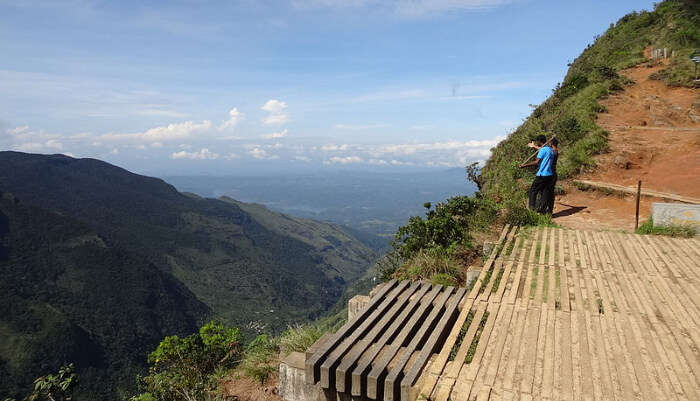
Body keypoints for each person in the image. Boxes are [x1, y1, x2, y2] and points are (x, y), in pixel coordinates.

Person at [519, 134, 555, 214]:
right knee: (544, 193)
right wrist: (533, 146)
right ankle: (542, 211)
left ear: (539, 141)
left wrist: (524, 165)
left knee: (533, 191)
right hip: (549, 175)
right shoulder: (551, 150)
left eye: (537, 141)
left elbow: (536, 162)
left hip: (542, 175)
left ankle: (531, 211)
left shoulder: (543, 150)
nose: (537, 142)